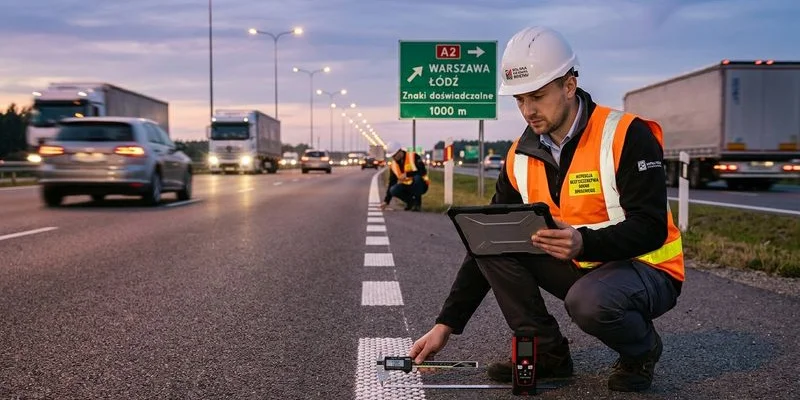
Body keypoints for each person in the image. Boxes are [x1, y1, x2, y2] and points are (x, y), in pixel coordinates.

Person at [408, 26, 684, 393]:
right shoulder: (518, 155)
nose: (528, 111)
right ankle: (548, 354)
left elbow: (651, 227)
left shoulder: (625, 134)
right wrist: (446, 324)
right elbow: (484, 241)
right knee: (490, 241)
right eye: (519, 100)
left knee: (590, 302)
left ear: (569, 85)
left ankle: (641, 350)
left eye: (537, 96)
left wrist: (582, 243)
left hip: (644, 269)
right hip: (581, 266)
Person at [381, 142, 429, 211]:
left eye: (394, 155)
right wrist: (386, 201)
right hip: (406, 186)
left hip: (421, 185)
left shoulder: (413, 156)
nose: (393, 158)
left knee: (417, 178)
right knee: (393, 189)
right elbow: (392, 182)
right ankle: (411, 203)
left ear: (399, 151)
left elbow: (422, 171)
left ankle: (417, 204)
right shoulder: (393, 165)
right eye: (392, 156)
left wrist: (408, 174)